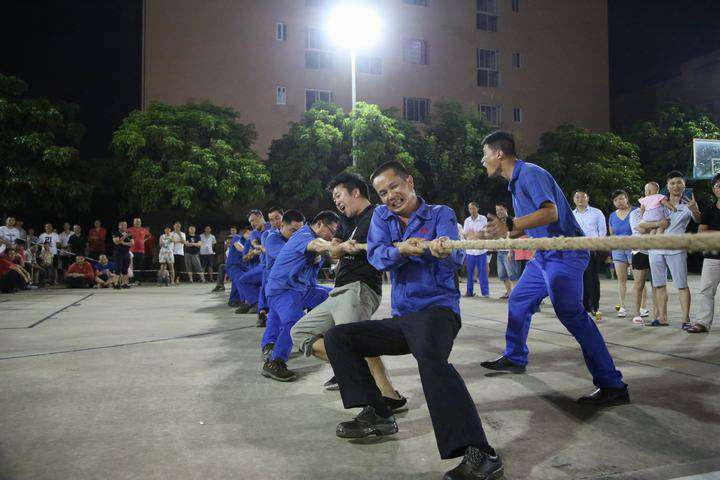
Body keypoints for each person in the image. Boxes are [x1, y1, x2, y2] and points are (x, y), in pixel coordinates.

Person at [323, 161, 502, 480]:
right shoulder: (382, 216)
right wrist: (402, 251)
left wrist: (444, 251)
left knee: (430, 359)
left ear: (409, 182)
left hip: (438, 311)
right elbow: (377, 256)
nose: (390, 196)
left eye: (394, 187)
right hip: (404, 318)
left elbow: (456, 256)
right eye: (382, 192)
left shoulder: (440, 213)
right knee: (339, 337)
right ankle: (378, 413)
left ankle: (481, 453)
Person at [478, 131, 627, 406]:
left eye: (484, 153)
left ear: (499, 154)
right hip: (544, 255)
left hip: (566, 253)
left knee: (571, 314)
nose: (482, 160)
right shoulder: (514, 185)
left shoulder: (530, 173)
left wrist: (510, 224)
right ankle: (515, 356)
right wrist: (498, 233)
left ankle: (612, 385)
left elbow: (551, 213)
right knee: (519, 299)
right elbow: (532, 225)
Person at [290, 173, 405, 405]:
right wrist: (342, 247)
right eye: (334, 198)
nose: (336, 201)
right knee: (300, 333)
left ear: (356, 192)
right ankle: (351, 367)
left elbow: (388, 246)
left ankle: (387, 396)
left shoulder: (377, 215)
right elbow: (334, 252)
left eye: (339, 195)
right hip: (338, 290)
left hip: (360, 287)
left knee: (360, 342)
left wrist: (345, 247)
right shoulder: (345, 220)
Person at [261, 211, 339, 382]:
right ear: (319, 224)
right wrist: (335, 245)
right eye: (332, 231)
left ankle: (327, 339)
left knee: (336, 297)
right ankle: (274, 362)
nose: (332, 235)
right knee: (294, 320)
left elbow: (330, 256)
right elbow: (318, 245)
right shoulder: (303, 235)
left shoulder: (313, 237)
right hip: (282, 290)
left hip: (302, 289)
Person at [647, 171, 701, 328]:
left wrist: (694, 209)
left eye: (679, 182)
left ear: (684, 185)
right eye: (672, 183)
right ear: (668, 186)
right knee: (659, 285)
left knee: (681, 285)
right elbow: (646, 220)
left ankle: (685, 320)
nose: (676, 186)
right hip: (655, 249)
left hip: (676, 249)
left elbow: (698, 219)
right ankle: (662, 318)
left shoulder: (689, 202)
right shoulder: (659, 201)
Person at [261, 210, 305, 361]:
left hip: (290, 285)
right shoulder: (272, 238)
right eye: (272, 220)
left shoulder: (293, 238)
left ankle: (270, 345)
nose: (296, 234)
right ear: (283, 225)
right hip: (277, 285)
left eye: (277, 218)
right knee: (284, 317)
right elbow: (287, 255)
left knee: (276, 316)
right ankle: (274, 354)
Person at [688, 173, 720, 333]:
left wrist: (712, 233)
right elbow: (701, 233)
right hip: (712, 257)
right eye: (718, 185)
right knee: (706, 290)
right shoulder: (709, 210)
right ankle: (702, 322)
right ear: (714, 189)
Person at [572, 190, 607, 321]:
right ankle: (582, 305)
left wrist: (598, 246)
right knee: (578, 279)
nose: (580, 199)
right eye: (577, 197)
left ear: (588, 198)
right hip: (575, 250)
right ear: (573, 199)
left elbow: (602, 231)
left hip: (592, 249)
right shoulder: (571, 215)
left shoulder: (596, 213)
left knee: (592, 278)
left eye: (583, 197)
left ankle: (594, 306)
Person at [607, 190, 636, 318]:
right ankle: (622, 306)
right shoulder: (612, 216)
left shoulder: (636, 211)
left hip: (634, 248)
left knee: (638, 280)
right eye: (615, 200)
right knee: (621, 280)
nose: (618, 201)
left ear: (626, 199)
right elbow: (612, 235)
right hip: (618, 250)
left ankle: (641, 307)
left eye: (621, 198)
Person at [235, 211, 269, 315]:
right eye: (250, 222)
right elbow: (254, 244)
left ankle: (257, 304)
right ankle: (256, 303)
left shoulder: (272, 227)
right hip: (263, 265)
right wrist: (257, 249)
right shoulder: (254, 233)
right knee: (242, 280)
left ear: (260, 216)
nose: (252, 223)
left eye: (253, 220)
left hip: (276, 264)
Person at [256, 207, 284, 326]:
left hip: (284, 271)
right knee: (265, 290)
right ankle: (262, 313)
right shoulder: (267, 234)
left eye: (277, 218)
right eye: (272, 220)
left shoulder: (291, 232)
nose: (275, 222)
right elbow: (267, 250)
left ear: (283, 217)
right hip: (269, 268)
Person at [628, 208, 656, 325]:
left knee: (657, 285)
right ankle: (637, 314)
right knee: (639, 284)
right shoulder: (635, 213)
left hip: (657, 251)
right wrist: (656, 227)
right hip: (639, 251)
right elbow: (640, 229)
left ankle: (658, 315)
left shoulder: (660, 210)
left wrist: (651, 228)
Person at [462, 202, 490, 298]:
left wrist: (474, 235)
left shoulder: (483, 219)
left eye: (473, 208)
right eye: (470, 208)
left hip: (481, 250)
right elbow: (465, 235)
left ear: (477, 208)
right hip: (470, 251)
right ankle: (469, 292)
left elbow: (484, 233)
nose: (472, 210)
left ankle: (485, 293)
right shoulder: (467, 220)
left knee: (483, 273)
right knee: (469, 273)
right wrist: (474, 235)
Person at [492, 203, 518, 299]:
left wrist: (511, 251)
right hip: (500, 251)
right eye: (497, 210)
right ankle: (509, 292)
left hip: (509, 251)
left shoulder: (512, 220)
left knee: (512, 275)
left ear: (506, 209)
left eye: (500, 209)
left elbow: (514, 236)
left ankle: (516, 294)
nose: (498, 212)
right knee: (502, 275)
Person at [127, 218, 150, 282]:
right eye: (136, 222)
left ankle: (138, 280)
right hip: (132, 250)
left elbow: (149, 236)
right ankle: (131, 279)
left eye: (139, 221)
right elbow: (124, 235)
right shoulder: (130, 229)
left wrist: (143, 241)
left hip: (141, 251)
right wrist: (129, 240)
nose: (138, 223)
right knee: (131, 266)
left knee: (139, 266)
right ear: (133, 222)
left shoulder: (144, 229)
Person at [112, 221, 133, 289]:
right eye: (122, 225)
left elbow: (132, 243)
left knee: (125, 269)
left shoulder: (129, 233)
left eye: (125, 225)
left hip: (126, 253)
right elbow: (117, 242)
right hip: (118, 253)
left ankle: (124, 283)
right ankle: (115, 284)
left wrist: (124, 243)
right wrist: (124, 236)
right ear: (119, 226)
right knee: (118, 268)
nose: (124, 226)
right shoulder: (115, 233)